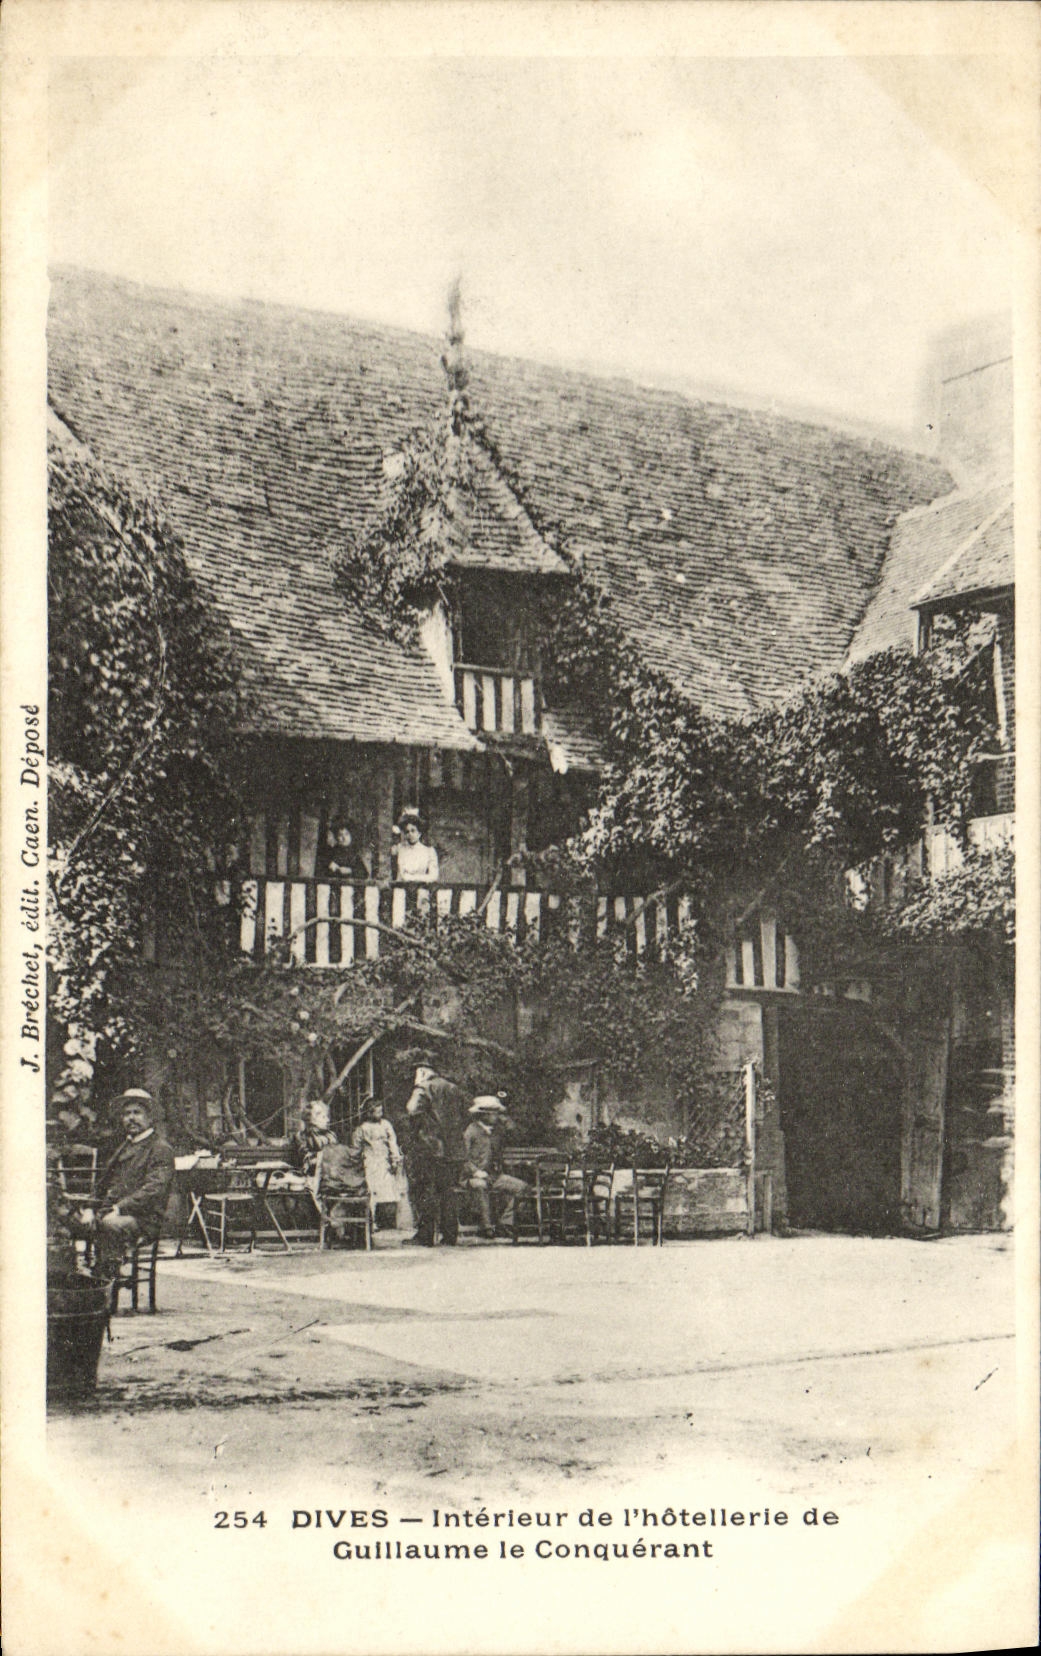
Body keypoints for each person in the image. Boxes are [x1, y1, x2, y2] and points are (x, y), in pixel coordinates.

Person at [87, 1090, 176, 1271]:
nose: (131, 1118)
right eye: (126, 1114)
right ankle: (89, 1281)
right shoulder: (126, 1145)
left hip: (144, 1219)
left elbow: (153, 1190)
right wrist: (89, 1208)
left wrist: (119, 1209)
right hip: (115, 1211)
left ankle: (108, 1277)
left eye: (137, 1113)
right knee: (73, 1222)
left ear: (150, 1117)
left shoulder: (160, 1148)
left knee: (109, 1225)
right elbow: (102, 1183)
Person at [403, 1057, 468, 1246]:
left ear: (422, 1072)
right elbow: (466, 1113)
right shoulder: (452, 1088)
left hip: (430, 1149)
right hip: (454, 1149)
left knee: (425, 1191)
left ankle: (425, 1235)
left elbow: (412, 1110)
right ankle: (450, 1235)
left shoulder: (423, 1088)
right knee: (447, 1192)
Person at [463, 1096, 532, 1239]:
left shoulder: (496, 1132)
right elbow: (463, 1158)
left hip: (493, 1176)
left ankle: (505, 1223)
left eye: (496, 1113)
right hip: (471, 1177)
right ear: (482, 1114)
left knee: (523, 1188)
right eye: (491, 1113)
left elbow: (512, 1134)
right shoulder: (471, 1131)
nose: (495, 1116)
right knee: (481, 1185)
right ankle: (486, 1228)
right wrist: (475, 1171)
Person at [351, 1096, 404, 1230]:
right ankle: (371, 1221)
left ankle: (390, 1222)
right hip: (369, 1162)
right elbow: (355, 1147)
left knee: (387, 1191)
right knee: (371, 1191)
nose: (380, 1115)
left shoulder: (386, 1125)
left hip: (383, 1162)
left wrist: (395, 1159)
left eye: (381, 1111)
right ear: (369, 1113)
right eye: (377, 1112)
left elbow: (392, 1142)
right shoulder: (362, 1128)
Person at [290, 1099, 339, 1177]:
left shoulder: (331, 1135)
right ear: (312, 1119)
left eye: (327, 1117)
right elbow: (305, 1160)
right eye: (324, 1117)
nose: (328, 1120)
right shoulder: (301, 1137)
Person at [392, 810, 439, 884]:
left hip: (421, 889)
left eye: (413, 831)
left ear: (419, 833)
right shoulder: (400, 849)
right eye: (407, 832)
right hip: (402, 889)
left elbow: (433, 876)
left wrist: (413, 878)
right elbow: (402, 875)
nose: (410, 834)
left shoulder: (428, 851)